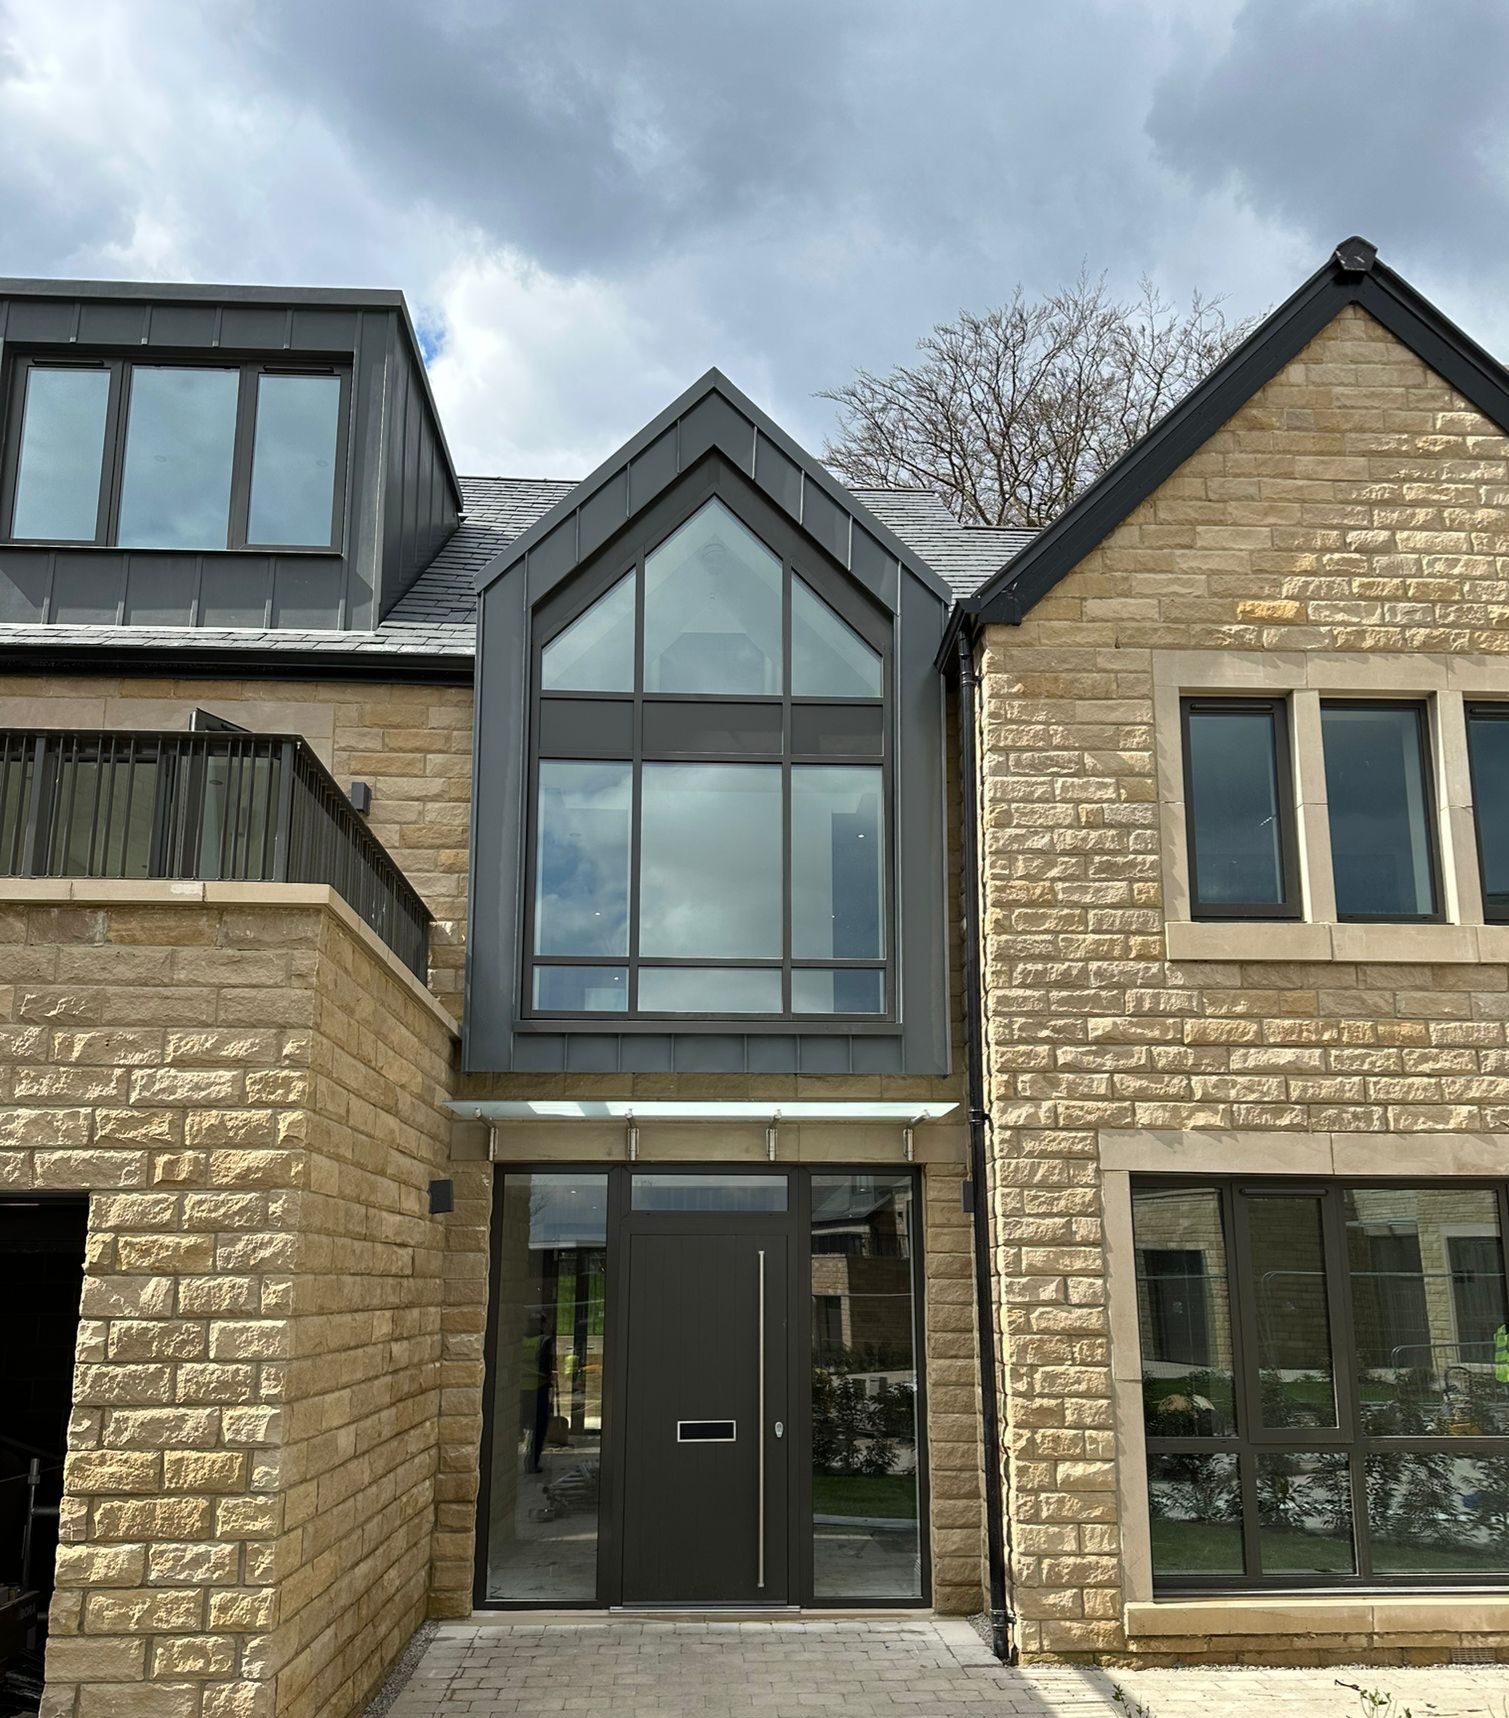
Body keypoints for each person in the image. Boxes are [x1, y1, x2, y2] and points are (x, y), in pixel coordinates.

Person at [527, 1311, 557, 1474]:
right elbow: (546, 1365)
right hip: (538, 1388)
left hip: (522, 1389)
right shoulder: (544, 1341)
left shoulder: (521, 1339)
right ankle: (532, 1461)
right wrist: (550, 1378)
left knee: (524, 1427)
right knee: (539, 1427)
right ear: (542, 1324)